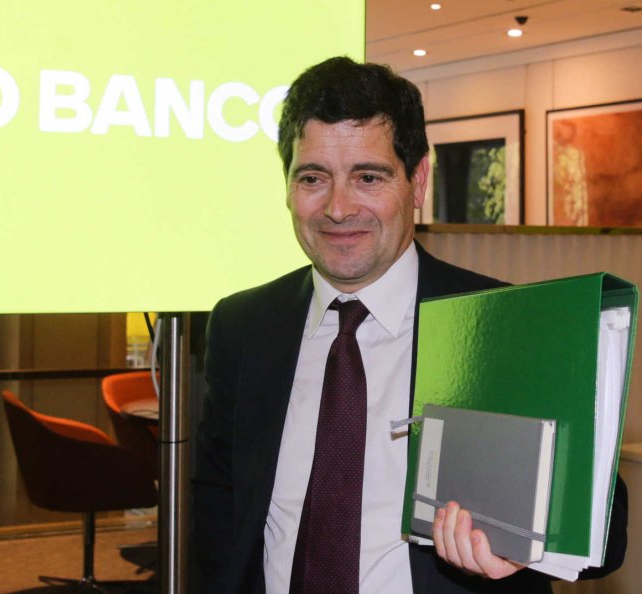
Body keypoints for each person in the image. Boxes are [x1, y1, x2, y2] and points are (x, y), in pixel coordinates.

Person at [190, 56, 627, 594]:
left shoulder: (503, 323)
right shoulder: (243, 326)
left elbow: (605, 534)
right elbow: (220, 514)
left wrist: (523, 549)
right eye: (313, 178)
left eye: (368, 177)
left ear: (417, 181)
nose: (338, 208)